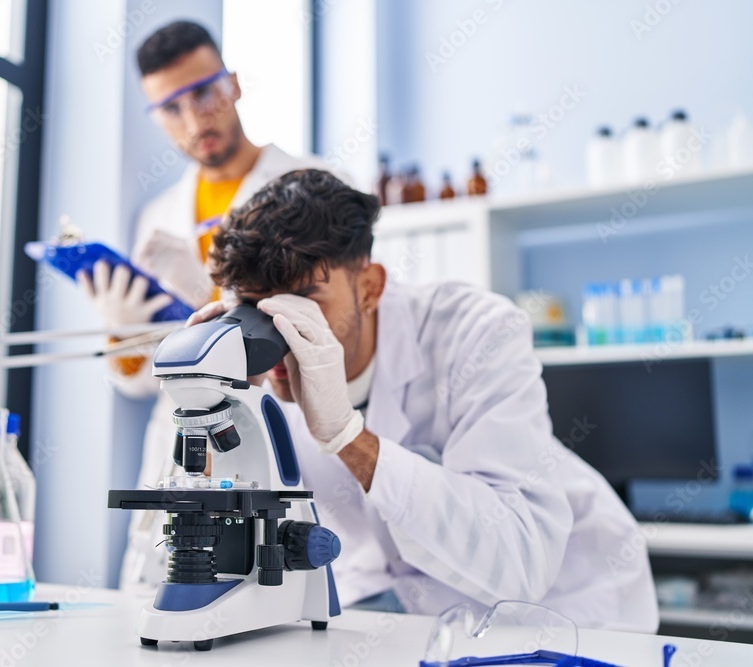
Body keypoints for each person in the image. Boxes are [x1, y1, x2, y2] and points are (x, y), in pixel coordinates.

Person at [187, 168, 659, 632]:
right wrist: (214, 404)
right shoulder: (258, 373)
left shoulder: (477, 332)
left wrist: (347, 435)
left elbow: (518, 562)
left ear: (370, 287)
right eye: (257, 309)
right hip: (413, 607)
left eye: (303, 306)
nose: (281, 337)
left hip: (570, 606)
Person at [77, 21, 341, 589]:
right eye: (171, 108)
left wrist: (207, 296)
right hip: (182, 430)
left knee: (272, 594)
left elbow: (326, 325)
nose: (195, 119)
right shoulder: (159, 216)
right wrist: (122, 336)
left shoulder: (314, 184)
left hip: (278, 420)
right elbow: (146, 382)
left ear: (235, 85)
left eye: (204, 93)